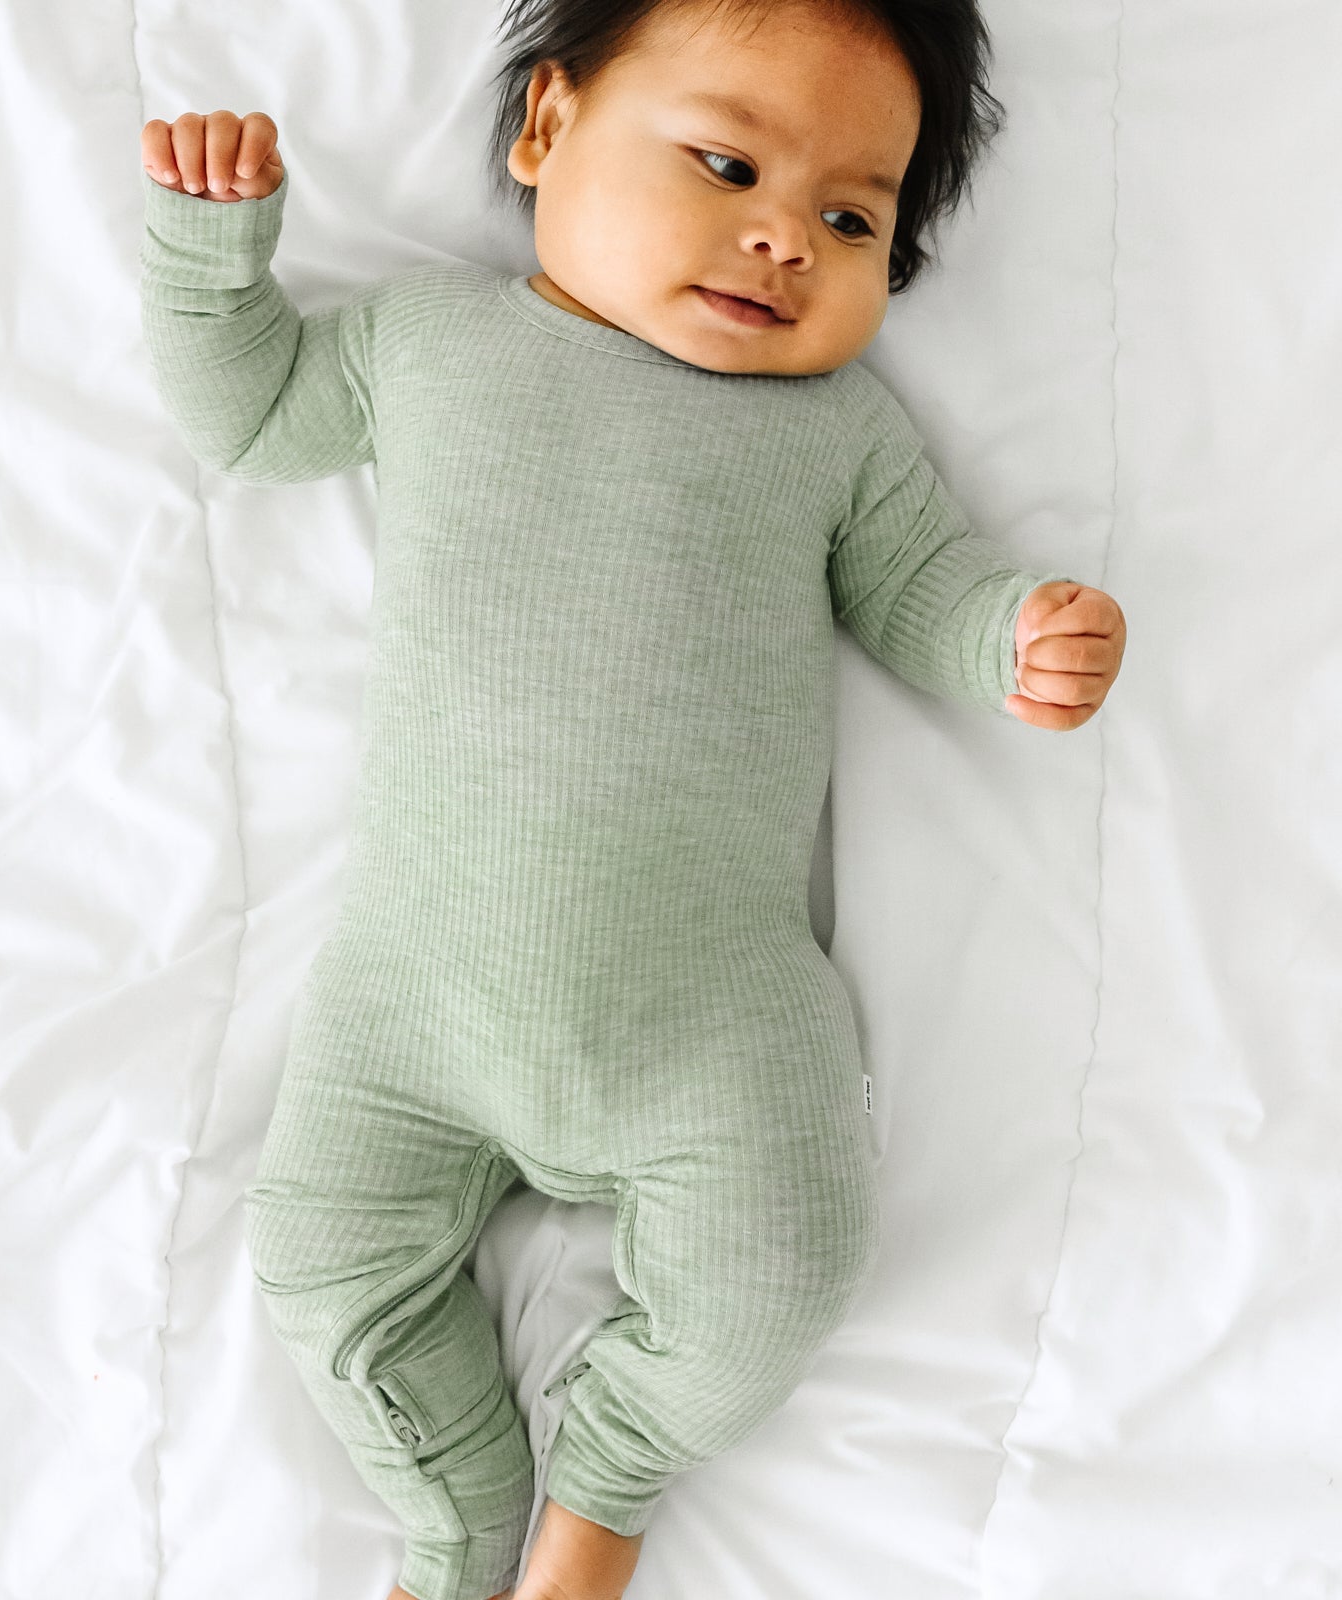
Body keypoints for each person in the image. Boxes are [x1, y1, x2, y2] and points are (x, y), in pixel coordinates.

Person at [136, 1, 1126, 1595]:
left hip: (710, 1022)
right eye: (728, 161)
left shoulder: (834, 434)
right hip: (413, 1013)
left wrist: (1014, 632)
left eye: (850, 216)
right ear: (544, 132)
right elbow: (249, 414)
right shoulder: (430, 341)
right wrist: (212, 267)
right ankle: (456, 1524)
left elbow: (923, 588)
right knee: (322, 1264)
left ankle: (606, 1487)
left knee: (780, 1270)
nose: (781, 240)